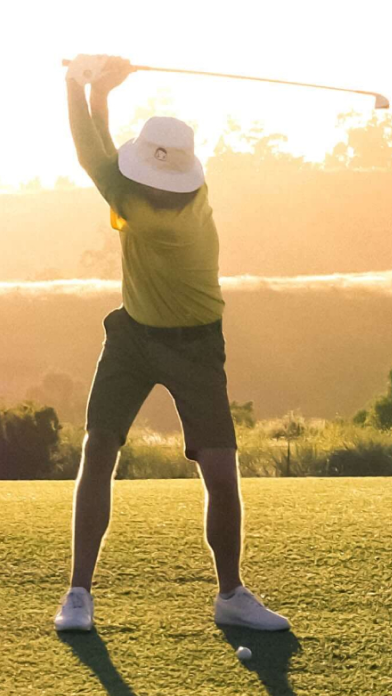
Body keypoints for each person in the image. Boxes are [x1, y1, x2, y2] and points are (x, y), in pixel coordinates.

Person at [53, 54, 288, 633]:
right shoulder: (178, 188)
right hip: (134, 334)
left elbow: (92, 153)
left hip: (194, 345)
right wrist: (101, 92)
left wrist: (77, 84)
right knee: (99, 450)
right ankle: (78, 594)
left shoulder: (146, 206)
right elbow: (103, 154)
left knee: (219, 470)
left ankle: (230, 595)